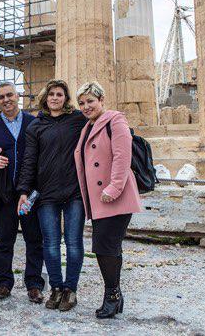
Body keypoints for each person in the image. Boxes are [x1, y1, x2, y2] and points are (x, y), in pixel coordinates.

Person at [17, 79, 87, 312]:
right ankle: (56, 288)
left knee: (74, 243)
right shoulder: (36, 126)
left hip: (74, 192)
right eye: (51, 94)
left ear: (66, 99)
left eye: (60, 94)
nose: (55, 98)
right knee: (51, 244)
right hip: (46, 193)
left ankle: (71, 290)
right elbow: (29, 161)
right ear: (45, 98)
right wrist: (24, 192)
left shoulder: (78, 120)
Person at [75, 81, 141, 319]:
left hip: (115, 196)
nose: (86, 106)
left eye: (90, 101)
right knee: (109, 247)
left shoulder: (115, 120)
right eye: (81, 103)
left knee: (105, 247)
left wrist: (113, 188)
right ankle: (115, 295)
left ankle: (112, 296)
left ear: (102, 100)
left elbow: (123, 156)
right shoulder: (88, 126)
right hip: (99, 198)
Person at [0, 82, 44, 303]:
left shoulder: (34, 123)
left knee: (34, 239)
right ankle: (3, 283)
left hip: (30, 194)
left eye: (9, 95)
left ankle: (34, 284)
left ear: (18, 96)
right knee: (4, 240)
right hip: (5, 193)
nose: (6, 100)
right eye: (1, 97)